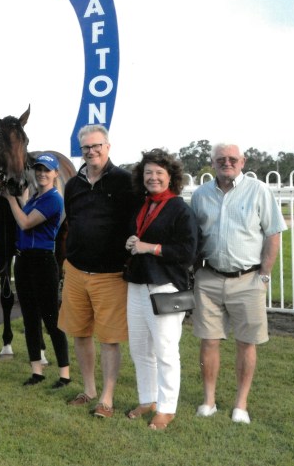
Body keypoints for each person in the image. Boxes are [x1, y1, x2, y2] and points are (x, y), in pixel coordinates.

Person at [190, 143, 286, 424]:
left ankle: (240, 405)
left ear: (243, 162)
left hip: (248, 279)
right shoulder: (200, 195)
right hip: (209, 278)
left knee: (246, 342)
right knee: (209, 342)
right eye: (220, 159)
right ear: (212, 162)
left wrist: (264, 275)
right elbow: (192, 236)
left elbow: (273, 234)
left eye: (232, 158)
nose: (227, 163)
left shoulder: (259, 191)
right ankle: (208, 401)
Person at [58, 125, 135, 417]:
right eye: (86, 147)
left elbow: (133, 223)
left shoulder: (124, 181)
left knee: (109, 339)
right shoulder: (73, 185)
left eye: (96, 146)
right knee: (79, 333)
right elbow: (71, 222)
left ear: (108, 146)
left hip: (110, 275)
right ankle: (88, 389)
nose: (91, 152)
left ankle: (106, 398)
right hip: (77, 271)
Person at [123, 149, 198, 430]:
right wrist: (131, 242)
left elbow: (188, 252)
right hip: (138, 284)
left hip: (165, 286)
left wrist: (150, 248)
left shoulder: (180, 209)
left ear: (171, 177)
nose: (152, 177)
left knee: (165, 351)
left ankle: (167, 408)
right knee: (140, 349)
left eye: (159, 173)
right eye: (148, 173)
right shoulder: (144, 205)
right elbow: (139, 237)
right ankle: (148, 400)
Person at [2, 153, 71, 388]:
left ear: (55, 174)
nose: (42, 173)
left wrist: (10, 200)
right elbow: (26, 209)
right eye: (39, 169)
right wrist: (18, 196)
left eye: (47, 170)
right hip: (24, 261)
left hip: (42, 262)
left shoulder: (54, 199)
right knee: (30, 318)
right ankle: (37, 371)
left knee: (51, 319)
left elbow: (25, 222)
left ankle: (64, 374)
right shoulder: (35, 198)